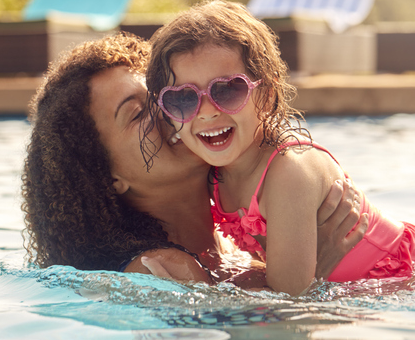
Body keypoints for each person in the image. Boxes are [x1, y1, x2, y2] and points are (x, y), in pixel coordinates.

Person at [22, 32, 367, 287]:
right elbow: (280, 337)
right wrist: (318, 272)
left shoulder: (236, 233)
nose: (176, 111)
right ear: (108, 178)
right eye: (138, 112)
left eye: (171, 94)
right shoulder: (162, 270)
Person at [145, 0, 414, 295]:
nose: (207, 112)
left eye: (228, 90)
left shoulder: (290, 171)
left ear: (268, 93)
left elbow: (288, 303)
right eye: (183, 99)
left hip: (400, 277)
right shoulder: (213, 173)